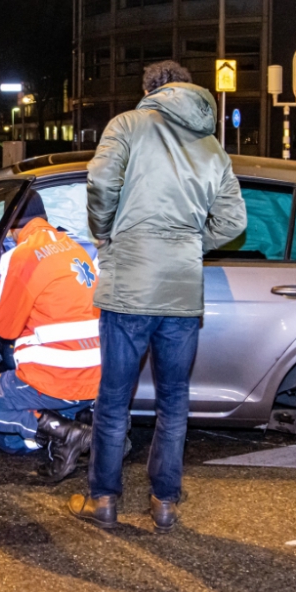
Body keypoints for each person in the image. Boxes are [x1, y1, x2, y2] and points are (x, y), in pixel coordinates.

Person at [68, 60, 247, 532]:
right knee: (174, 400)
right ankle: (164, 502)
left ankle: (103, 500)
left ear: (149, 89)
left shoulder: (127, 124)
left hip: (129, 284)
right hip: (181, 292)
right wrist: (189, 243)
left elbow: (101, 181)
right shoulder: (213, 146)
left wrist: (106, 232)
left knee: (113, 400)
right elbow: (233, 223)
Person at [0, 191, 101, 482]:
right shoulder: (75, 248)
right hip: (94, 382)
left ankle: (61, 430)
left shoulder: (21, 255)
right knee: (11, 443)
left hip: (55, 379)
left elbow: (3, 328)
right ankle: (70, 425)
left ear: (12, 227)